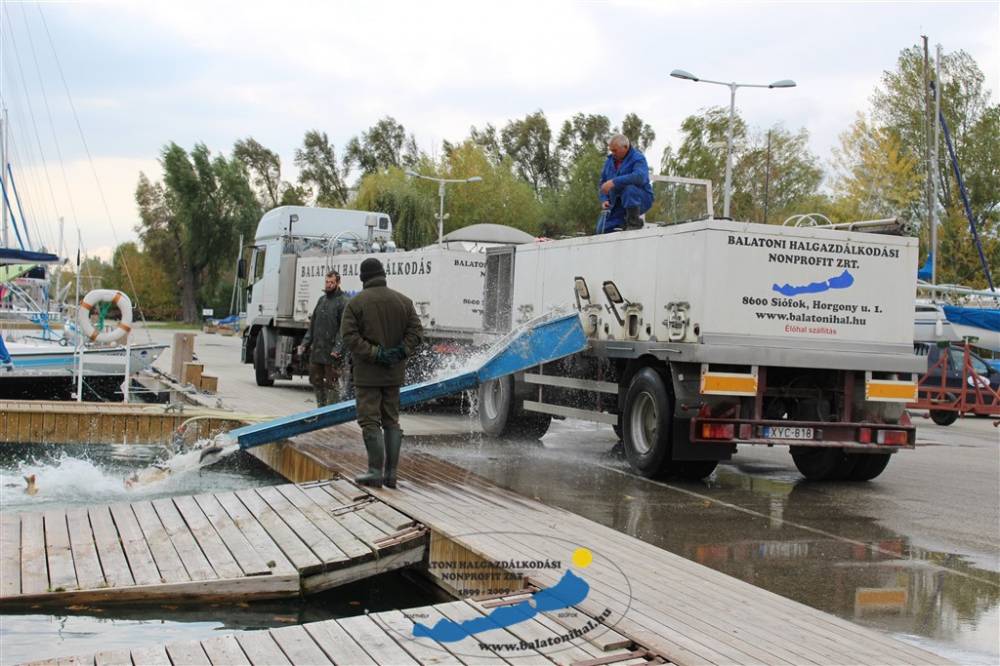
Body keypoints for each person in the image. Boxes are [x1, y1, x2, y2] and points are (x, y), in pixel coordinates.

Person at [340, 257, 423, 489]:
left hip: (367, 374)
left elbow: (349, 337)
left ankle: (375, 471)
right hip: (394, 374)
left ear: (363, 277)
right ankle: (392, 475)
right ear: (383, 274)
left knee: (369, 420)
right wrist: (400, 351)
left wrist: (375, 353)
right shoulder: (404, 302)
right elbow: (416, 332)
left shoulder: (356, 304)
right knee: (391, 420)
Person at [298, 270, 348, 407]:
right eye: (327, 282)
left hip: (332, 352)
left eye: (331, 282)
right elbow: (313, 325)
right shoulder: (322, 300)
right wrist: (304, 343)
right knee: (316, 380)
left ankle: (331, 413)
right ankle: (321, 408)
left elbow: (343, 329)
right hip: (318, 350)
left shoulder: (343, 302)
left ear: (338, 283)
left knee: (332, 383)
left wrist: (337, 348)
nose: (328, 285)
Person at [597, 134, 654, 234]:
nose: (612, 153)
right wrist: (604, 199)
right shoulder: (609, 162)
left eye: (615, 150)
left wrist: (614, 182)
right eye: (611, 150)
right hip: (618, 202)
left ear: (626, 147)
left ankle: (634, 223)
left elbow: (640, 177)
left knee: (629, 189)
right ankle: (621, 225)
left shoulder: (638, 158)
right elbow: (603, 183)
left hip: (640, 198)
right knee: (602, 228)